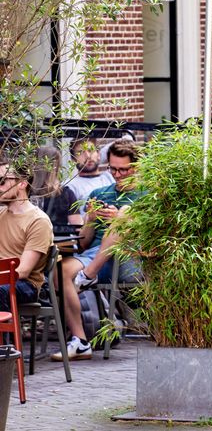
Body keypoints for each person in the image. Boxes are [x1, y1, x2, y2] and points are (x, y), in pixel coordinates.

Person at [52, 139, 143, 362]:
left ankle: (87, 276)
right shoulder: (99, 193)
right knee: (60, 269)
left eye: (124, 169)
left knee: (124, 213)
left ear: (137, 167)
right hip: (97, 257)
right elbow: (83, 243)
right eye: (113, 169)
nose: (118, 174)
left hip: (131, 257)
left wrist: (122, 220)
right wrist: (90, 218)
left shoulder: (149, 196)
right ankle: (81, 342)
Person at [0, 159, 53, 312]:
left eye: (2, 181)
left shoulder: (38, 221)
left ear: (22, 183)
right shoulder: (1, 214)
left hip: (26, 284)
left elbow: (23, 271)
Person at [31, 146, 83, 236]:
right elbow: (77, 226)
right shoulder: (66, 193)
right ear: (56, 167)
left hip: (31, 243)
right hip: (61, 246)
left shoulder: (24, 191)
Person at [63, 138, 115, 218]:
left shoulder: (112, 177)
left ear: (98, 155)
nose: (88, 156)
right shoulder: (69, 186)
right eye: (80, 152)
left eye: (91, 150)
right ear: (73, 159)